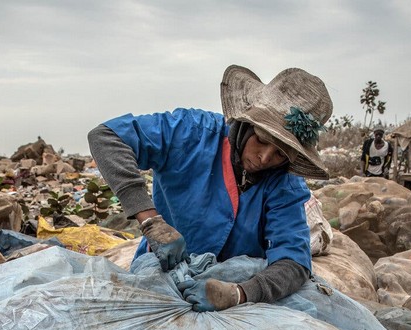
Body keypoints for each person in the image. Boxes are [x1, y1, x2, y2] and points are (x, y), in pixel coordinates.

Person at [87, 65, 332, 311]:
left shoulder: (286, 184)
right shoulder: (192, 133)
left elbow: (293, 262)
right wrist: (150, 221)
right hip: (164, 269)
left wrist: (239, 293)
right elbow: (107, 138)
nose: (265, 158)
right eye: (261, 140)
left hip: (234, 289)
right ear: (248, 124)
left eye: (280, 153)